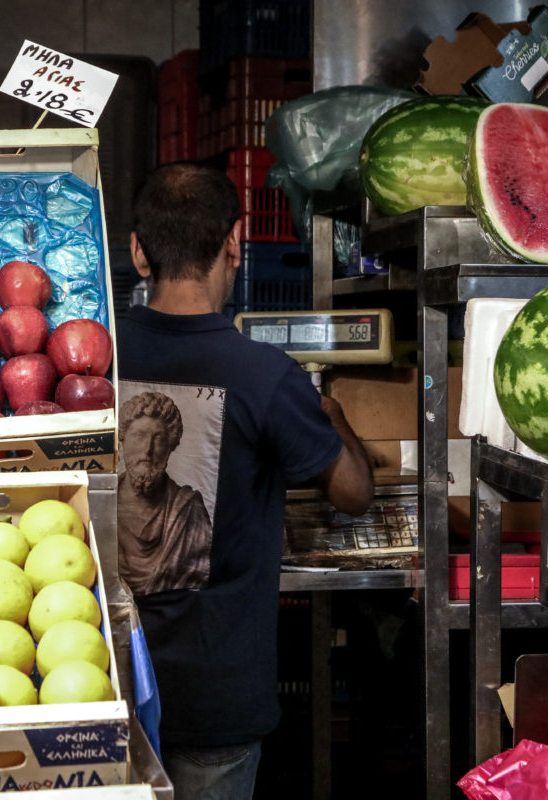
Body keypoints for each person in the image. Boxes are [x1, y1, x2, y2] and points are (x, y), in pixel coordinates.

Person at [116, 161, 375, 800]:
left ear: (137, 251)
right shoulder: (266, 375)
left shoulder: (94, 355)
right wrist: (333, 419)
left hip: (96, 679)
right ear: (236, 242)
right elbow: (353, 492)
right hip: (217, 694)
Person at [117, 390, 213, 596]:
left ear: (171, 446)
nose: (147, 450)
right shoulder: (103, 501)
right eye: (139, 436)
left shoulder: (189, 510)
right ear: (122, 440)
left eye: (158, 439)